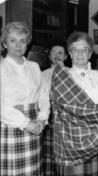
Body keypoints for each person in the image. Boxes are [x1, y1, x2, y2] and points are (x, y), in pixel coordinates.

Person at [55, 31, 98, 176]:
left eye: (84, 50)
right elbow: (57, 114)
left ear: (90, 53)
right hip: (70, 143)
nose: (80, 54)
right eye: (75, 50)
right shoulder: (62, 77)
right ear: (70, 54)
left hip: (97, 140)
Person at [0, 21, 50, 175]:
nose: (18, 45)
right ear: (4, 44)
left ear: (27, 44)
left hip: (35, 127)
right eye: (12, 40)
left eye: (22, 41)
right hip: (10, 126)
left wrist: (42, 118)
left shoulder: (34, 67)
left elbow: (43, 95)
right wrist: (26, 123)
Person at [42, 41, 67, 175]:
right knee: (49, 159)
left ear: (66, 57)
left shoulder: (71, 74)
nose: (57, 56)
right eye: (54, 53)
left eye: (60, 53)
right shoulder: (42, 75)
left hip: (66, 122)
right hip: (49, 122)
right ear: (50, 56)